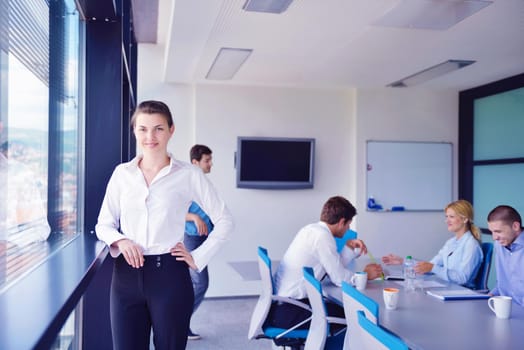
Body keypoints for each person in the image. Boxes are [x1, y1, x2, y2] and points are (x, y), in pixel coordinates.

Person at [95, 100, 234, 350]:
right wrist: (122, 240)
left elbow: (225, 220)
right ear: (135, 131)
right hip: (125, 277)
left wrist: (198, 256)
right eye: (143, 129)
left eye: (158, 128)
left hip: (170, 276)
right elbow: (103, 225)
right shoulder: (122, 174)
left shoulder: (189, 175)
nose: (150, 136)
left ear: (171, 130)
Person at [268, 196, 383, 331]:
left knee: (342, 309)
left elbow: (332, 267)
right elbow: (339, 279)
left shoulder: (312, 230)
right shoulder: (323, 237)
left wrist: (349, 247)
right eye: (348, 224)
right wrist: (365, 275)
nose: (348, 229)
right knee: (356, 315)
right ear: (341, 222)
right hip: (290, 311)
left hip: (281, 307)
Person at [382, 199, 483, 287]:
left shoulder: (471, 245)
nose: (447, 221)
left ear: (465, 219)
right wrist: (403, 261)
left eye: (451, 217)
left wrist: (433, 268)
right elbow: (430, 266)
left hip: (462, 293)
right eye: (446, 217)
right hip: (448, 287)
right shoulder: (451, 242)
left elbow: (462, 278)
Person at [184, 144, 214, 340]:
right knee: (201, 283)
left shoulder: (202, 182)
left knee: (197, 284)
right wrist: (194, 218)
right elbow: (173, 210)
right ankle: (179, 321)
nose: (211, 164)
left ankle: (180, 322)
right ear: (195, 162)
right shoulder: (187, 183)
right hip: (192, 240)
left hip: (202, 239)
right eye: (207, 160)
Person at [487, 205, 524, 305]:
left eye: (498, 231)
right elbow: (502, 283)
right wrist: (489, 296)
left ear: (515, 226)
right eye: (492, 232)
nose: (494, 237)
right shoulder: (499, 245)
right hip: (505, 308)